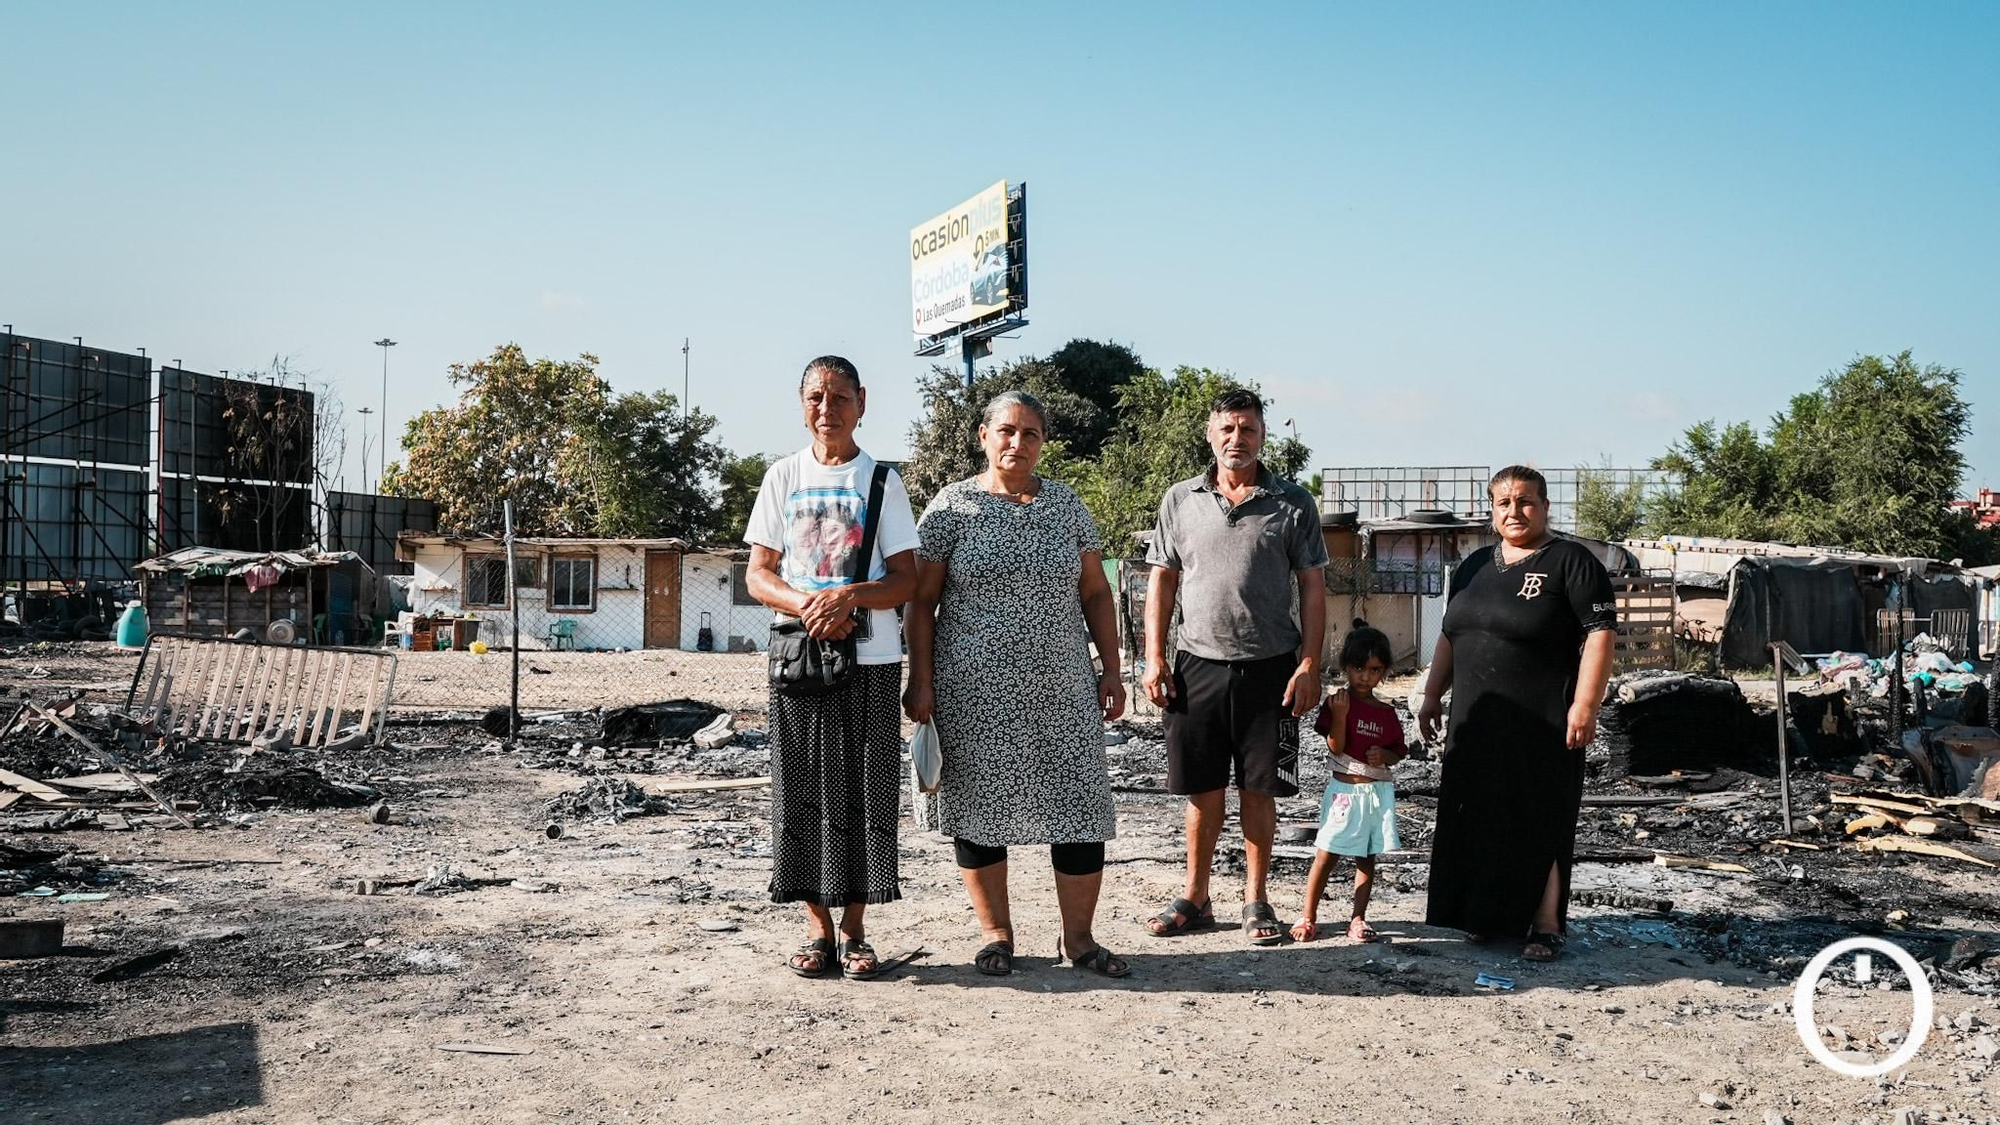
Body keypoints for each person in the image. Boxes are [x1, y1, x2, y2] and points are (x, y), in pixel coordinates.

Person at [904, 391, 1131, 978]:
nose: (1018, 443)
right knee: (979, 808)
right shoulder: (951, 508)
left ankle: (1079, 941)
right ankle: (995, 935)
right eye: (1007, 431)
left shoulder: (1066, 505)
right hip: (973, 691)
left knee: (1079, 808)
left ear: (1042, 443)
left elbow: (1096, 593)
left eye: (1031, 433)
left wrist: (1111, 668)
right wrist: (920, 678)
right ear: (984, 436)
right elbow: (922, 601)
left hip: (1062, 688)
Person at [744, 355, 920, 980]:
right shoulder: (782, 477)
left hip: (870, 658)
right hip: (798, 657)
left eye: (840, 397)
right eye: (816, 397)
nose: (828, 409)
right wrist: (810, 605)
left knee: (864, 792)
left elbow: (905, 579)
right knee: (801, 791)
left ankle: (856, 930)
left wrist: (848, 598)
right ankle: (816, 929)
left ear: (862, 402)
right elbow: (758, 573)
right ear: (802, 404)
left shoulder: (881, 482)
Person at [1142, 387, 1329, 946]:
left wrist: (1311, 664)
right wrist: (1154, 657)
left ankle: (1256, 899)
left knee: (1259, 789)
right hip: (1195, 666)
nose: (1236, 439)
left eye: (1247, 429)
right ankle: (1195, 897)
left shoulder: (1293, 503)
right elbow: (1163, 579)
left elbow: (1314, 588)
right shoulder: (1180, 500)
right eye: (1226, 429)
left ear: (1263, 436)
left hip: (1272, 670)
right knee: (1201, 791)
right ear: (1210, 433)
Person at [1417, 465, 1616, 962]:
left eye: (1525, 501)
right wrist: (1430, 694)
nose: (1514, 511)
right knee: (1480, 816)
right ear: (1491, 510)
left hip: (1542, 719)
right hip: (1475, 719)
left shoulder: (1572, 562)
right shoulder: (1474, 566)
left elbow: (1600, 635)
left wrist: (1585, 705)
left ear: (1546, 507)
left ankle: (1546, 924)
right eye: (1503, 502)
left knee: (1537, 816)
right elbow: (1449, 634)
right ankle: (1488, 916)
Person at [1290, 620, 1405, 943]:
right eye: (1358, 668)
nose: (1365, 677)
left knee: (1367, 857)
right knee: (1327, 853)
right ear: (1345, 667)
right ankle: (1308, 915)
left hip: (1376, 793)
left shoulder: (1387, 713)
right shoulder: (1337, 704)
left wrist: (1385, 755)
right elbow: (1335, 746)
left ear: (1383, 671)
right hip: (1345, 793)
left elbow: (1398, 751)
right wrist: (1340, 717)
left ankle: (1358, 918)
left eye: (1374, 669)